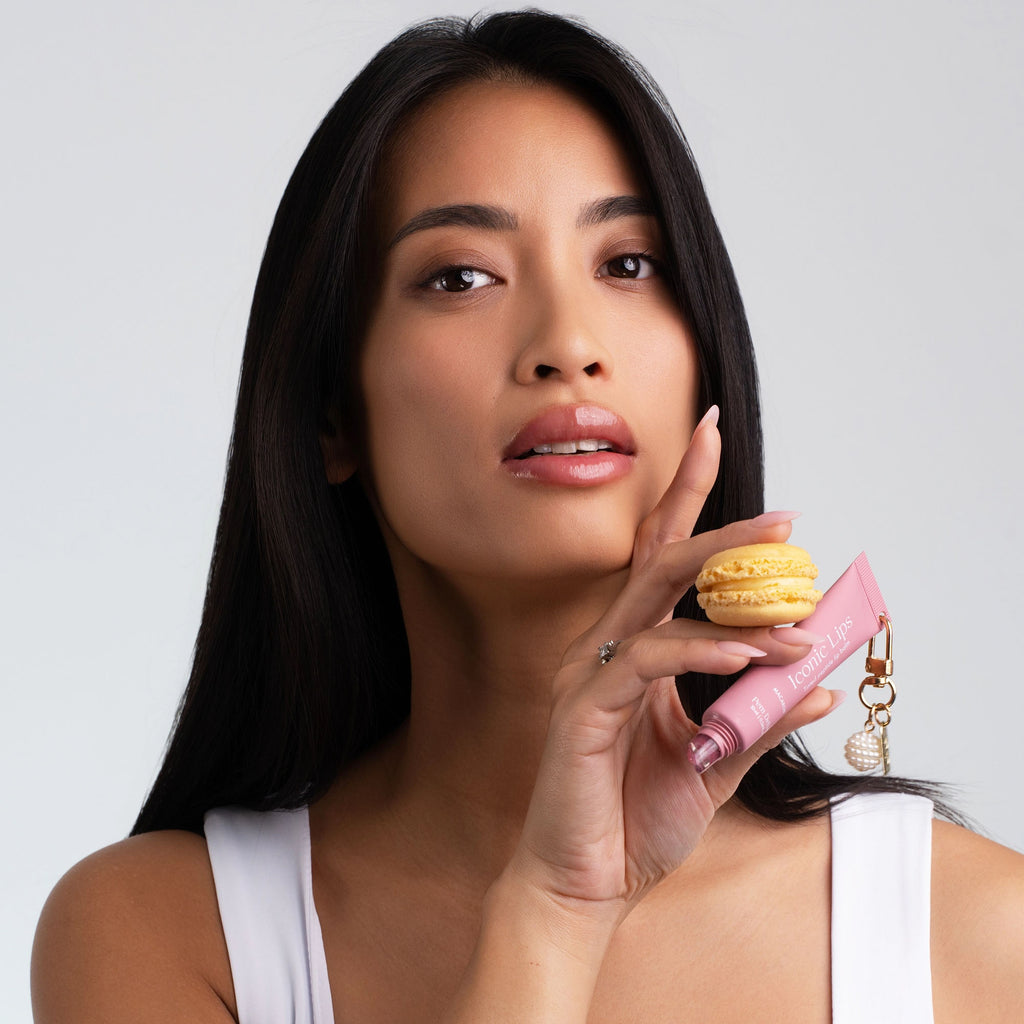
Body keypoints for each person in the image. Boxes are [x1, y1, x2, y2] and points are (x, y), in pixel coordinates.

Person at [31, 11, 1023, 1022]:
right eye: (462, 277)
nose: (568, 341)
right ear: (334, 413)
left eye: (628, 263)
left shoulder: (979, 935)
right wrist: (554, 906)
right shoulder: (164, 933)